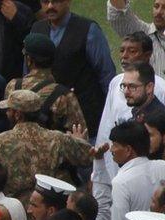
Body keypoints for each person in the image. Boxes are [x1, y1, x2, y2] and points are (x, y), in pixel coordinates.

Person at [29, 0, 116, 139]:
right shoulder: (36, 29)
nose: (50, 6)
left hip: (86, 121)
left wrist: (113, 112)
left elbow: (106, 74)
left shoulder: (88, 29)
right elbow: (28, 74)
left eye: (56, 1)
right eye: (46, 1)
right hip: (47, 123)